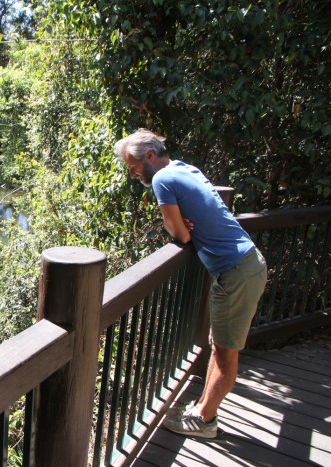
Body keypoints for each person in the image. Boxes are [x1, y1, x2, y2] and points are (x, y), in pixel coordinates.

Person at [114, 129, 268, 439]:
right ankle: (201, 409)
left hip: (236, 271)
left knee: (225, 355)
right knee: (219, 344)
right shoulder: (185, 168)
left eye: (132, 166)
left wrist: (176, 223)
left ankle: (204, 421)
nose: (132, 174)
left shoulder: (161, 181)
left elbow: (181, 235)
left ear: (149, 156)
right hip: (244, 265)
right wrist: (180, 220)